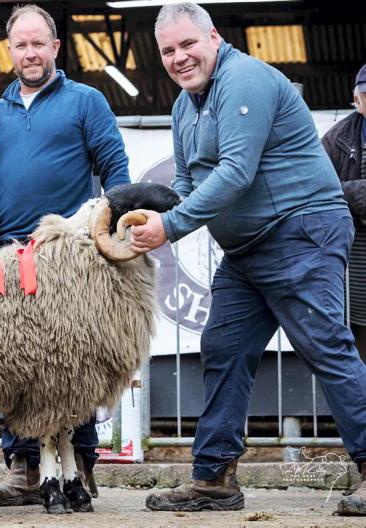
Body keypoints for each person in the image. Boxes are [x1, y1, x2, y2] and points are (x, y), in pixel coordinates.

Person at [130, 2, 366, 516]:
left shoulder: (245, 80)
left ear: (213, 37)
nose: (179, 57)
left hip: (302, 230)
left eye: (187, 44)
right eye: (168, 51)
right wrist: (144, 208)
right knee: (223, 347)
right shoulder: (183, 106)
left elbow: (236, 172)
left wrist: (169, 227)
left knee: (325, 345)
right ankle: (214, 479)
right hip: (247, 248)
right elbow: (188, 183)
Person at [0, 4, 130, 506]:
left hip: (70, 258)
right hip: (6, 256)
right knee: (14, 362)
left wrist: (115, 230)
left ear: (55, 47)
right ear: (10, 51)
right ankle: (22, 468)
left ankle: (79, 467)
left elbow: (116, 170)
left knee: (74, 362)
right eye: (20, 45)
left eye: (38, 43)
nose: (29, 53)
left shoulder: (86, 101)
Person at [322, 65, 366, 363]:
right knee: (357, 346)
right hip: (355, 259)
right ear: (356, 98)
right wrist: (357, 193)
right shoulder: (337, 138)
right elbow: (319, 190)